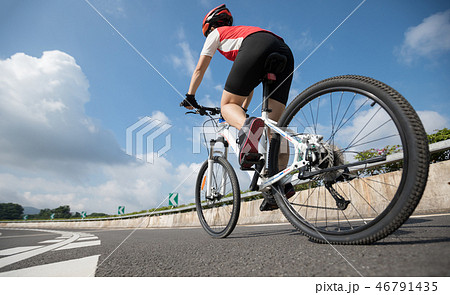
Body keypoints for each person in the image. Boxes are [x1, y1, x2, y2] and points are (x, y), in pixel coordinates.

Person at [180, 4, 295, 209]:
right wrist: (242, 111)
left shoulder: (216, 34)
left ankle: (249, 129)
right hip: (284, 50)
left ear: (210, 26)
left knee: (226, 106)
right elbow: (247, 90)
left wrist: (190, 96)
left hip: (257, 45)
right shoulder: (241, 31)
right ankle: (279, 185)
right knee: (275, 128)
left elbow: (199, 68)